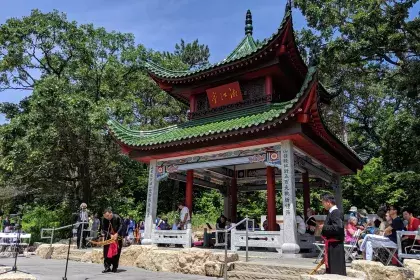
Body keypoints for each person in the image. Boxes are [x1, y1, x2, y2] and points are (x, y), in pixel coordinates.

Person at [321, 194, 346, 276]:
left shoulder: (335, 212)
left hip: (335, 246)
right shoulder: (332, 212)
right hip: (332, 245)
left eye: (323, 202)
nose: (322, 205)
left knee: (336, 270)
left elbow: (338, 228)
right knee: (332, 269)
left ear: (328, 202)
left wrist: (324, 227)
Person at [100, 208, 124, 273]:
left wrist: (117, 233)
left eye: (108, 216)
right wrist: (110, 235)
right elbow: (103, 229)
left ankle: (114, 267)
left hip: (117, 237)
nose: (107, 218)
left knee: (116, 252)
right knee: (106, 252)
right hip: (108, 237)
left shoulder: (117, 217)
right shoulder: (104, 219)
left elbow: (122, 226)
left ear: (111, 213)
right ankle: (107, 267)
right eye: (105, 217)